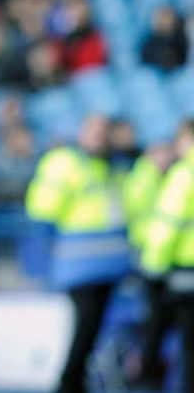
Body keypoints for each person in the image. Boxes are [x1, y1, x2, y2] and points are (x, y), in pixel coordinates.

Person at [25, 114, 130, 393]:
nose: (100, 136)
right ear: (81, 132)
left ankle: (75, 381)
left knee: (92, 330)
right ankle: (68, 383)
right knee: (85, 329)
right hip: (80, 267)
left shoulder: (111, 167)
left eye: (105, 130)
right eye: (95, 130)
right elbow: (42, 210)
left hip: (109, 267)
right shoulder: (66, 164)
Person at [142, 120, 194, 393]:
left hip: (183, 274)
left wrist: (153, 267)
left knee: (183, 344)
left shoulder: (184, 174)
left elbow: (167, 226)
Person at [123, 140, 174, 389]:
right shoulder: (143, 180)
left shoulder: (165, 178)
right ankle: (145, 376)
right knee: (151, 322)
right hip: (147, 260)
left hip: (162, 260)